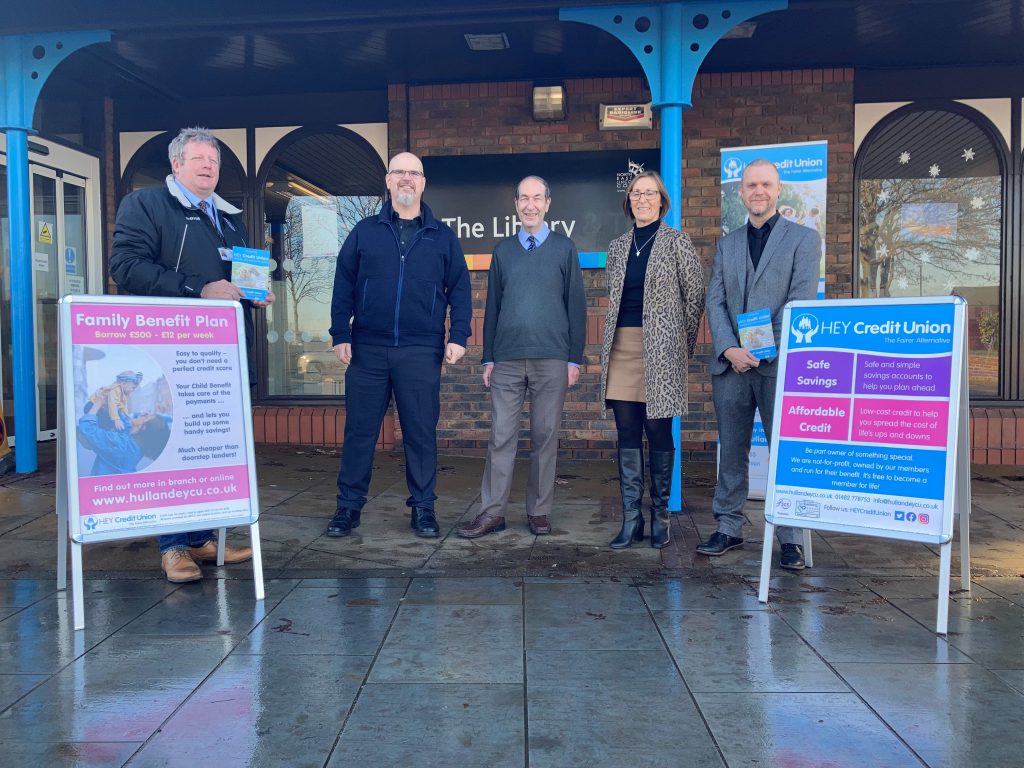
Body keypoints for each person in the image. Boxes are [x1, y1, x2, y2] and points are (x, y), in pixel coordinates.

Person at [110, 126, 273, 583]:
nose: (208, 166)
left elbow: (233, 281)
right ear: (176, 164)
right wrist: (197, 289)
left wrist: (251, 294)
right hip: (173, 352)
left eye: (215, 161)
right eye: (199, 158)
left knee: (208, 446)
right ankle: (172, 547)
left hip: (221, 355)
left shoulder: (228, 218)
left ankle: (201, 537)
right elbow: (124, 267)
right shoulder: (145, 204)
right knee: (175, 445)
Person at [327, 152, 471, 540]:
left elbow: (460, 288)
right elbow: (343, 283)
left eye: (414, 173)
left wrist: (458, 335)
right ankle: (348, 508)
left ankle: (423, 509)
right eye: (399, 172)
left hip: (421, 351)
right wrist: (340, 331)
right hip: (367, 349)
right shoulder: (364, 230)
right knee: (359, 431)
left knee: (421, 432)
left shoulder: (442, 237)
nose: (406, 179)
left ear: (423, 183)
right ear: (388, 181)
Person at [698, 159, 821, 570]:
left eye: (766, 184)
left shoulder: (804, 240)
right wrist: (731, 349)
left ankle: (791, 537)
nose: (758, 191)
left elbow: (800, 301)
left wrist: (762, 349)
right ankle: (729, 528)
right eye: (751, 185)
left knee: (784, 451)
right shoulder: (727, 244)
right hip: (731, 367)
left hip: (777, 365)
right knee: (732, 450)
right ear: (741, 191)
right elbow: (714, 301)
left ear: (778, 189)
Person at [457, 176, 586, 539]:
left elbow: (576, 305)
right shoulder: (503, 251)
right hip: (508, 359)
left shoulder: (565, 248)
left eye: (537, 198)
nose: (530, 205)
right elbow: (493, 306)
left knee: (545, 436)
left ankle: (540, 511)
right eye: (523, 199)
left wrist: (573, 359)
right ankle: (492, 512)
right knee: (500, 436)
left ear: (548, 203)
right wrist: (488, 358)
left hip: (552, 358)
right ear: (515, 204)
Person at [599, 171, 705, 549]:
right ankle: (632, 521)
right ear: (629, 202)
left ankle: (660, 518)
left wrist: (680, 347)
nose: (642, 199)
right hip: (621, 348)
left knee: (659, 432)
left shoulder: (677, 242)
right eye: (636, 193)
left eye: (649, 193)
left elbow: (695, 298)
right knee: (627, 433)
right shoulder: (617, 246)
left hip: (661, 352)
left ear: (662, 200)